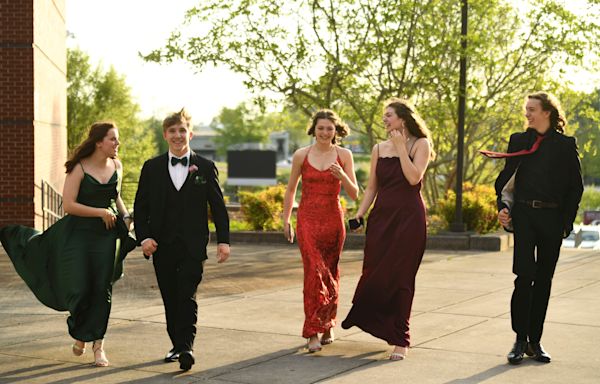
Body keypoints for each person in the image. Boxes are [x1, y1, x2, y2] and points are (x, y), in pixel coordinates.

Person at [0, 122, 135, 367]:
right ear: (99, 142)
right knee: (81, 288)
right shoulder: (79, 168)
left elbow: (115, 196)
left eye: (117, 139)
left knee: (102, 289)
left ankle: (98, 346)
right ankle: (81, 333)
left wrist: (125, 218)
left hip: (106, 237)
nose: (117, 144)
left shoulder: (117, 165)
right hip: (79, 235)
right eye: (113, 139)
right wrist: (100, 212)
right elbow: (69, 205)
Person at [488, 92, 583, 365]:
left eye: (531, 109)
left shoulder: (565, 145)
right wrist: (503, 209)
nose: (527, 114)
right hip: (525, 216)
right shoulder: (519, 140)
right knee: (524, 276)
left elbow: (575, 188)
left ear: (547, 112)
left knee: (544, 281)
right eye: (526, 109)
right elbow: (505, 181)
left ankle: (535, 341)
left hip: (552, 219)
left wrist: (566, 223)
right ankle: (519, 340)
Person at [133, 108, 230, 371]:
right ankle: (177, 344)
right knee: (170, 296)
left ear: (191, 133)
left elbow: (218, 207)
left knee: (187, 294)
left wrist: (224, 240)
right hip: (161, 244)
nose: (178, 135)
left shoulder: (206, 167)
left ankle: (186, 346)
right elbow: (140, 208)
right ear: (165, 135)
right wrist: (144, 238)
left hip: (192, 244)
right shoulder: (151, 167)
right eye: (172, 131)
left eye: (182, 130)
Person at [341, 98, 434, 361]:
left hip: (409, 218)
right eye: (384, 116)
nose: (385, 119)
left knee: (402, 277)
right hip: (381, 218)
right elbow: (372, 187)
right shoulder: (378, 148)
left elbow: (414, 178)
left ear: (403, 118)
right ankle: (374, 321)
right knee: (375, 274)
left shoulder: (421, 144)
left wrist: (401, 148)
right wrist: (360, 213)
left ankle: (400, 339)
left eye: (389, 115)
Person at [282, 109, 359, 353]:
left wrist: (343, 175)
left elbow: (355, 193)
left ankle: (328, 325)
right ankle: (312, 331)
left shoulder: (344, 155)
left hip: (333, 221)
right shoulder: (301, 155)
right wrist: (286, 219)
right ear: (313, 130)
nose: (325, 132)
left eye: (329, 128)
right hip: (307, 219)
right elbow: (291, 189)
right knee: (313, 273)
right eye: (321, 128)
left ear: (336, 131)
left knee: (330, 274)